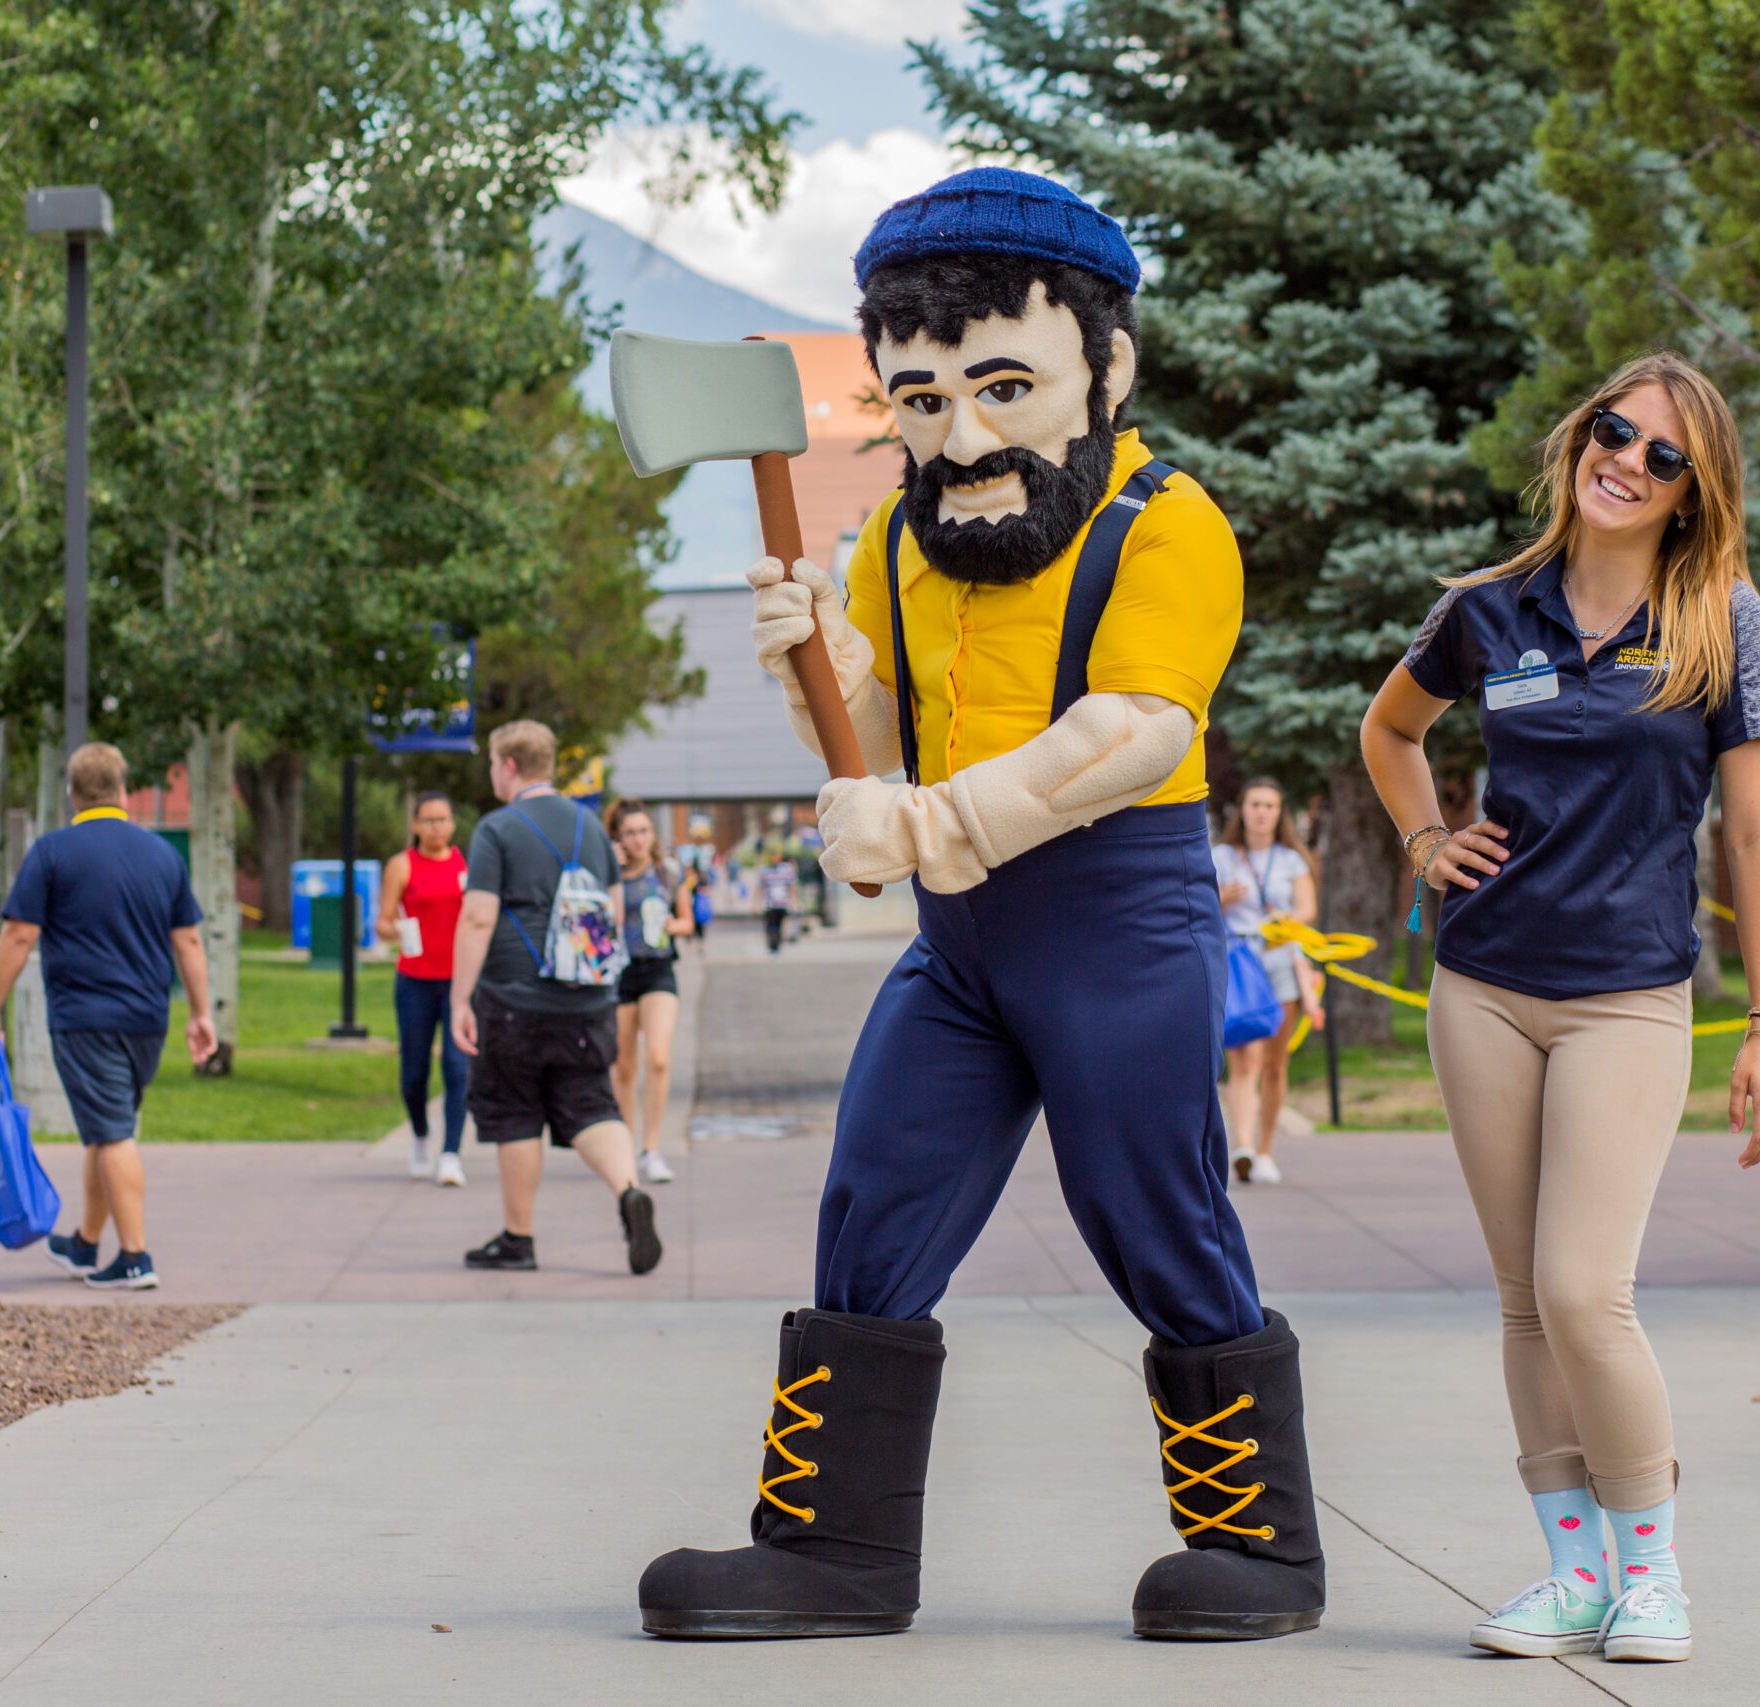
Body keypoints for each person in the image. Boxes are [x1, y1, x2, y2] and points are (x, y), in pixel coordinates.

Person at [640, 168, 1325, 1645]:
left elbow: (1132, 729)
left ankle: (1262, 1545)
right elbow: (882, 743)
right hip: (963, 946)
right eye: (922, 398)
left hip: (1115, 920)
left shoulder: (1165, 525)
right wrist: (809, 664)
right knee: (873, 1192)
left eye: (1005, 386)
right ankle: (832, 1547)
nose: (962, 436)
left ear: (1107, 365)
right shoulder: (899, 538)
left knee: (1153, 1208)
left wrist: (936, 821)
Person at [1361, 353, 1760, 1665]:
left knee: (1580, 1287)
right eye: (1617, 431)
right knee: (1519, 1293)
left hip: (1626, 1000)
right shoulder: (1489, 610)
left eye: (1665, 454)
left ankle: (1652, 1568)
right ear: (1581, 439)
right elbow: (1390, 730)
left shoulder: (1720, 614)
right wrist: (1428, 836)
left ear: (1693, 489)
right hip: (1483, 987)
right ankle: (1571, 1571)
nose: (1629, 460)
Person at [0, 742, 218, 1291]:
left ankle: (134, 1257)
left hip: (85, 1016)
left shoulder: (53, 851)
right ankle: (86, 1242)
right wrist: (200, 1015)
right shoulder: (162, 855)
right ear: (124, 790)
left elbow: (18, 934)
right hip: (147, 1018)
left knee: (112, 1134)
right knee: (107, 1128)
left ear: (71, 794)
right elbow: (190, 943)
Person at [447, 720, 660, 1277]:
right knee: (590, 1102)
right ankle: (628, 1191)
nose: (493, 773)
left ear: (509, 765)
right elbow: (612, 915)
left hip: (513, 996)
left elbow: (477, 918)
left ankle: (518, 1240)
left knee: (515, 1110)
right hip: (586, 998)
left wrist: (460, 998)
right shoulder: (590, 827)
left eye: (494, 763)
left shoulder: (496, 829)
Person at [1212, 777, 1317, 1184]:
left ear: (1279, 814)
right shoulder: (1221, 856)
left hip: (1278, 959)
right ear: (1243, 809)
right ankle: (1242, 1146)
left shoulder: (1290, 859)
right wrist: (1222, 900)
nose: (1261, 812)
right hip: (1238, 961)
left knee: (1274, 1062)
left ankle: (1266, 1149)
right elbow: (1196, 905)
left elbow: (1307, 909)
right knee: (1244, 1058)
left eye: (1270, 806)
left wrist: (1283, 919)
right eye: (1255, 804)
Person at [377, 791, 470, 1187]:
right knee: (414, 1072)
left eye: (443, 820)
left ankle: (450, 1153)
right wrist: (398, 930)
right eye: (428, 820)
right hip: (415, 979)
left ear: (452, 824)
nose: (436, 827)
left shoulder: (468, 866)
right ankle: (419, 1133)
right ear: (415, 825)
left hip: (459, 981)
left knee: (457, 1067)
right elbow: (381, 922)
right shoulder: (402, 865)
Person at [607, 798, 692, 1185]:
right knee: (624, 1065)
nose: (638, 839)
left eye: (643, 831)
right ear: (618, 837)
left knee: (657, 1057)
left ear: (652, 835)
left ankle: (652, 1149)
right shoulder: (610, 877)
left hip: (658, 970)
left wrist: (675, 925)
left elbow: (688, 921)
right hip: (620, 973)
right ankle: (624, 1146)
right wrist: (611, 868)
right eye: (630, 833)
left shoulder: (668, 872)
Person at [757, 845, 797, 954]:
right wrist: (756, 903)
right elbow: (760, 887)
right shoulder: (765, 870)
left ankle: (776, 946)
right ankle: (771, 945)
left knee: (778, 925)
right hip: (769, 903)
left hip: (782, 903)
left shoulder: (787, 869)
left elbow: (792, 886)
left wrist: (793, 901)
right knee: (770, 925)